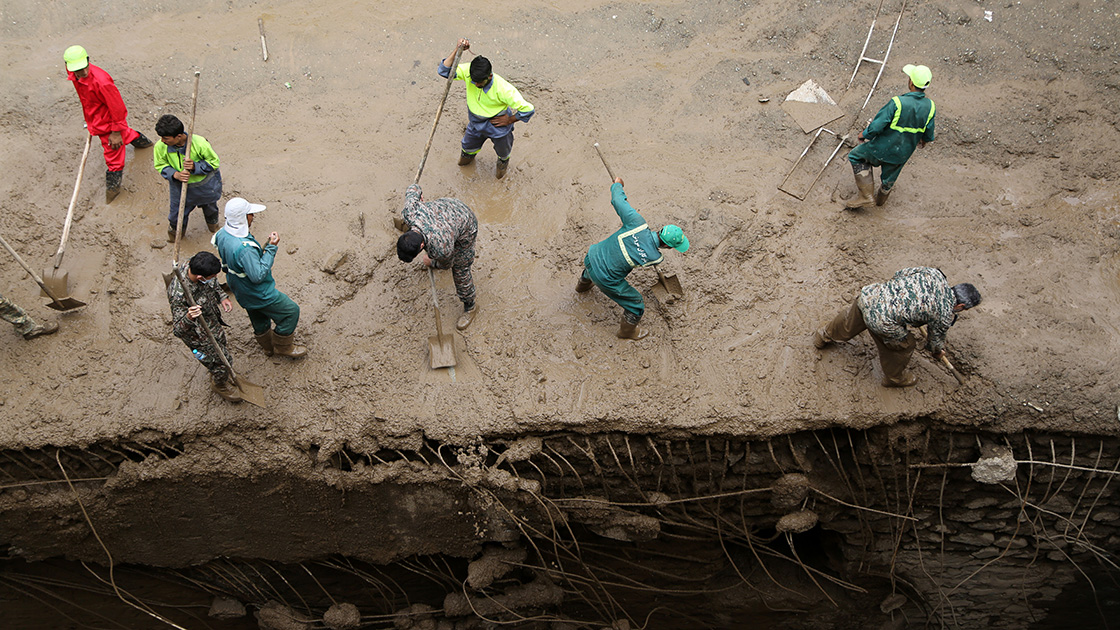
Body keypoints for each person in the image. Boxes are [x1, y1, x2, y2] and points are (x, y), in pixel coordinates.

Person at [813, 267, 980, 387]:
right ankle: (894, 379)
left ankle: (823, 335)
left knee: (851, 319)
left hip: (871, 295)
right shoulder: (944, 314)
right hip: (882, 321)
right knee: (905, 345)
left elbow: (899, 274)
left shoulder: (934, 273)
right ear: (960, 306)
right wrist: (938, 352)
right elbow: (934, 343)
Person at [577, 178, 689, 340]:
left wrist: (618, 184)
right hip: (605, 278)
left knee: (593, 267)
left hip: (592, 256)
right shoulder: (655, 257)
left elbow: (617, 200)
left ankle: (582, 286)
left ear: (661, 230)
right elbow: (647, 254)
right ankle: (627, 332)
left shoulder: (636, 221)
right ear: (668, 247)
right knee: (636, 304)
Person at [212, 198, 307, 359]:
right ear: (243, 218)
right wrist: (271, 248)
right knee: (291, 311)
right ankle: (283, 346)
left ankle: (267, 347)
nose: (253, 216)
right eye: (250, 214)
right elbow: (257, 275)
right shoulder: (244, 248)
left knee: (257, 315)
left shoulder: (222, 234)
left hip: (239, 287)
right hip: (258, 291)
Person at [63, 45, 153, 203]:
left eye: (84, 68)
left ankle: (112, 193)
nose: (82, 73)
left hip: (108, 125)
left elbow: (118, 107)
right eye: (77, 70)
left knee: (114, 158)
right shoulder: (73, 73)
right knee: (128, 134)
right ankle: (145, 144)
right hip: (95, 118)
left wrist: (116, 132)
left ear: (88, 61)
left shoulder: (102, 81)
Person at [438, 38, 535, 179]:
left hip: (497, 125)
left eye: (479, 83)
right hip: (475, 123)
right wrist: (457, 49)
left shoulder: (504, 89)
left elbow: (528, 109)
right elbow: (443, 70)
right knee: (467, 149)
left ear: (489, 76)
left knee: (503, 154)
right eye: (473, 81)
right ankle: (465, 165)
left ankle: (500, 173)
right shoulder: (468, 72)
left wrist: (509, 120)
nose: (475, 84)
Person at [844, 64, 936, 209]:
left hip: (881, 148)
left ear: (911, 82)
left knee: (856, 156)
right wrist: (924, 140)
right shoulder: (930, 106)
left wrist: (864, 134)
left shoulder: (897, 102)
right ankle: (880, 201)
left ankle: (866, 196)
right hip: (903, 153)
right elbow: (929, 133)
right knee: (890, 176)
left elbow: (877, 126)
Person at [396, 184, 479, 330]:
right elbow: (413, 188)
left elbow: (447, 264)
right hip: (447, 206)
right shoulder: (409, 212)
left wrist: (433, 262)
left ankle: (470, 306)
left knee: (461, 270)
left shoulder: (440, 246)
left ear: (422, 246)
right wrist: (419, 196)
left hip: (466, 224)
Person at [167, 252, 240, 402]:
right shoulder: (179, 295)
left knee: (222, 345)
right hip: (198, 336)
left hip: (211, 321)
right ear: (200, 278)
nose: (214, 279)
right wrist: (188, 317)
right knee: (219, 363)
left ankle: (225, 373)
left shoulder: (195, 264)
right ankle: (219, 383)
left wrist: (222, 296)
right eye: (212, 276)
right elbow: (178, 330)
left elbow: (213, 283)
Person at [154, 114, 223, 242]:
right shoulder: (160, 146)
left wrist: (195, 167)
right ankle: (176, 237)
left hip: (204, 187)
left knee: (211, 210)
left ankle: (213, 229)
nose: (163, 141)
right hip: (180, 189)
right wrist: (175, 174)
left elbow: (214, 163)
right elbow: (160, 165)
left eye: (166, 138)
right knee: (176, 216)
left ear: (178, 136)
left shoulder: (200, 143)